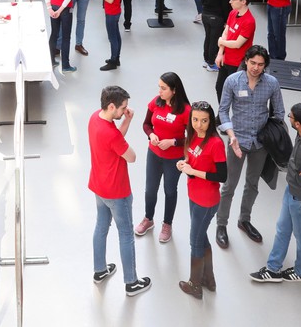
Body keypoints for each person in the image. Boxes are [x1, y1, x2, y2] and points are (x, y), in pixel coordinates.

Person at [249, 103, 301, 283]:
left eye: (291, 118)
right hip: (292, 191)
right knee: (282, 229)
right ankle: (273, 268)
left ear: (299, 124)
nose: (289, 119)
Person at [215, 46, 284, 248]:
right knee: (229, 186)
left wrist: (269, 135)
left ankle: (244, 220)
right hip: (237, 140)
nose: (256, 67)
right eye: (252, 63)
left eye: (260, 64)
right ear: (246, 61)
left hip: (260, 144)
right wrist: (231, 135)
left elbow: (279, 113)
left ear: (265, 66)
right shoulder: (232, 81)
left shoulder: (272, 83)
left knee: (252, 184)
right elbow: (223, 112)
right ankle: (221, 224)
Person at [88, 85, 152, 296]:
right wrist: (127, 128)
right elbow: (131, 156)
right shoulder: (111, 134)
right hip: (117, 191)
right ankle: (131, 282)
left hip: (99, 186)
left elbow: (115, 139)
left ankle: (99, 270)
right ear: (112, 105)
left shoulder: (95, 119)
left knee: (101, 227)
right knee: (126, 234)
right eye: (123, 108)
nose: (125, 110)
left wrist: (127, 120)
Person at [173, 100, 227, 297]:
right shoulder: (193, 137)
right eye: (195, 119)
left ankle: (195, 284)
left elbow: (222, 176)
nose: (198, 124)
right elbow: (194, 159)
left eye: (204, 121)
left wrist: (193, 170)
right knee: (201, 238)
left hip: (206, 201)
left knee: (195, 242)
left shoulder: (215, 143)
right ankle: (208, 279)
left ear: (210, 121)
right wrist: (185, 163)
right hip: (194, 195)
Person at [134, 72, 191, 243]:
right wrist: (151, 135)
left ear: (174, 90)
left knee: (170, 190)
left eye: (163, 88)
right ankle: (148, 219)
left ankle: (167, 224)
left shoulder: (186, 110)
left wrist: (173, 142)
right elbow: (146, 124)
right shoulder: (155, 102)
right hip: (154, 154)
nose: (159, 91)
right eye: (159, 87)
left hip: (174, 158)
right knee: (150, 189)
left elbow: (193, 138)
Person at [214, 0, 255, 102]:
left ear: (243, 1)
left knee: (235, 92)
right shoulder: (233, 13)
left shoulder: (249, 21)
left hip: (237, 63)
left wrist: (221, 42)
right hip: (226, 59)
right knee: (219, 87)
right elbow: (226, 31)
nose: (230, 1)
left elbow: (238, 44)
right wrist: (220, 53)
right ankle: (222, 113)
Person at [92, 0, 124, 71]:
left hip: (111, 12)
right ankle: (116, 58)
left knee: (112, 37)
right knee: (116, 35)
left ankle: (113, 61)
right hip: (116, 11)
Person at [200, 0, 230, 72]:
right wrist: (226, 20)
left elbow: (202, 0)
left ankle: (206, 59)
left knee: (207, 37)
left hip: (205, 15)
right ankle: (212, 63)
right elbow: (225, 6)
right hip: (216, 17)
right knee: (215, 40)